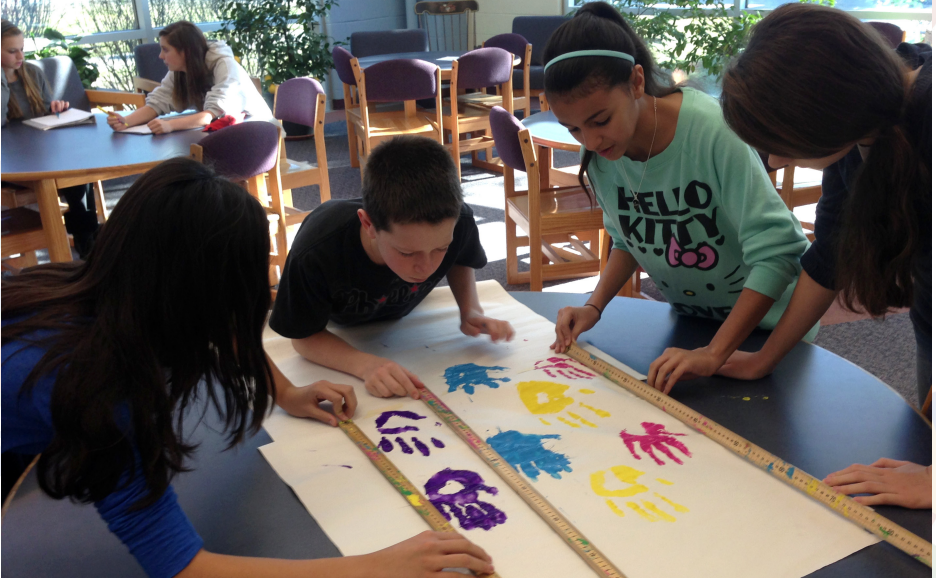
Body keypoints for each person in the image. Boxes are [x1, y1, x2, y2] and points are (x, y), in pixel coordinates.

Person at [1, 158, 496, 578]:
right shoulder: (98, 390)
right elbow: (184, 568)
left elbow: (226, 327)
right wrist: (371, 568)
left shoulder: (89, 286)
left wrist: (285, 392)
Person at [719, 3, 931, 508]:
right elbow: (830, 253)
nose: (775, 161)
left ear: (828, 109)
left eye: (782, 144)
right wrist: (765, 358)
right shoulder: (862, 129)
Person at [544, 2, 811, 395]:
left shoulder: (711, 130)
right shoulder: (602, 156)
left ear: (637, 82)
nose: (591, 140)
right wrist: (593, 306)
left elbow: (778, 252)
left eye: (600, 120)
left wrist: (716, 351)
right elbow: (627, 240)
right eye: (573, 129)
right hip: (691, 326)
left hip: (767, 330)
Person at [269, 136, 514, 401]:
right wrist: (366, 365)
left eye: (441, 248)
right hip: (341, 331)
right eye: (407, 253)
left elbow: (462, 256)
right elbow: (303, 337)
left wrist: (470, 309)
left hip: (407, 328)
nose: (426, 267)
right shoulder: (316, 250)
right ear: (368, 225)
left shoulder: (459, 220)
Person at [1, 19, 99, 257]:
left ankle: (87, 241)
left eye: (22, 49)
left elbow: (44, 112)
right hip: (10, 162)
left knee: (78, 171)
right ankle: (87, 242)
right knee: (72, 177)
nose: (20, 56)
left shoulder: (32, 73)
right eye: (12, 51)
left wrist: (56, 108)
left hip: (39, 152)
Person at [106, 21, 271, 134]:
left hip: (258, 134)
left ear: (185, 51)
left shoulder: (224, 65)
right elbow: (157, 103)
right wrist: (125, 121)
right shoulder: (179, 70)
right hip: (224, 132)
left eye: (165, 49)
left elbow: (211, 114)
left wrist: (170, 125)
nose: (160, 56)